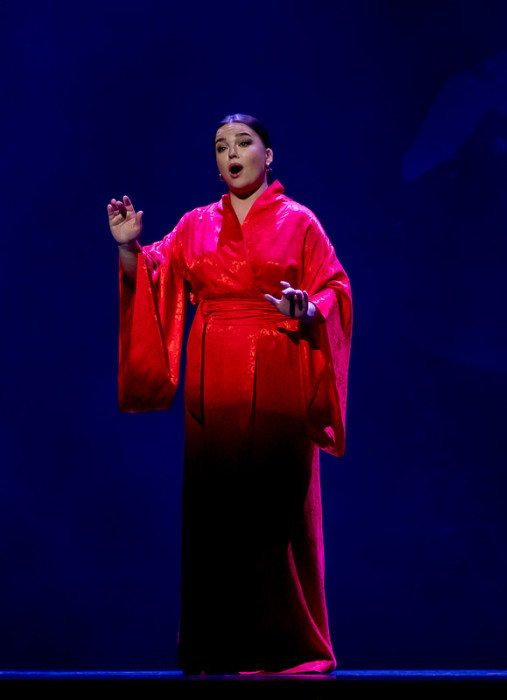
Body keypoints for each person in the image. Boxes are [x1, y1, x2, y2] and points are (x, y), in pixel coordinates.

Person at [109, 114, 352, 674]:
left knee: (276, 508)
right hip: (213, 370)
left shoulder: (299, 221)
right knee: (214, 510)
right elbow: (153, 275)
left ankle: (291, 649)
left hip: (279, 365)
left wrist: (308, 307)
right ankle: (217, 647)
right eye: (221, 147)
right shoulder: (196, 224)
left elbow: (335, 289)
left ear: (269, 155)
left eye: (244, 143)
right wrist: (128, 249)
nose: (232, 153)